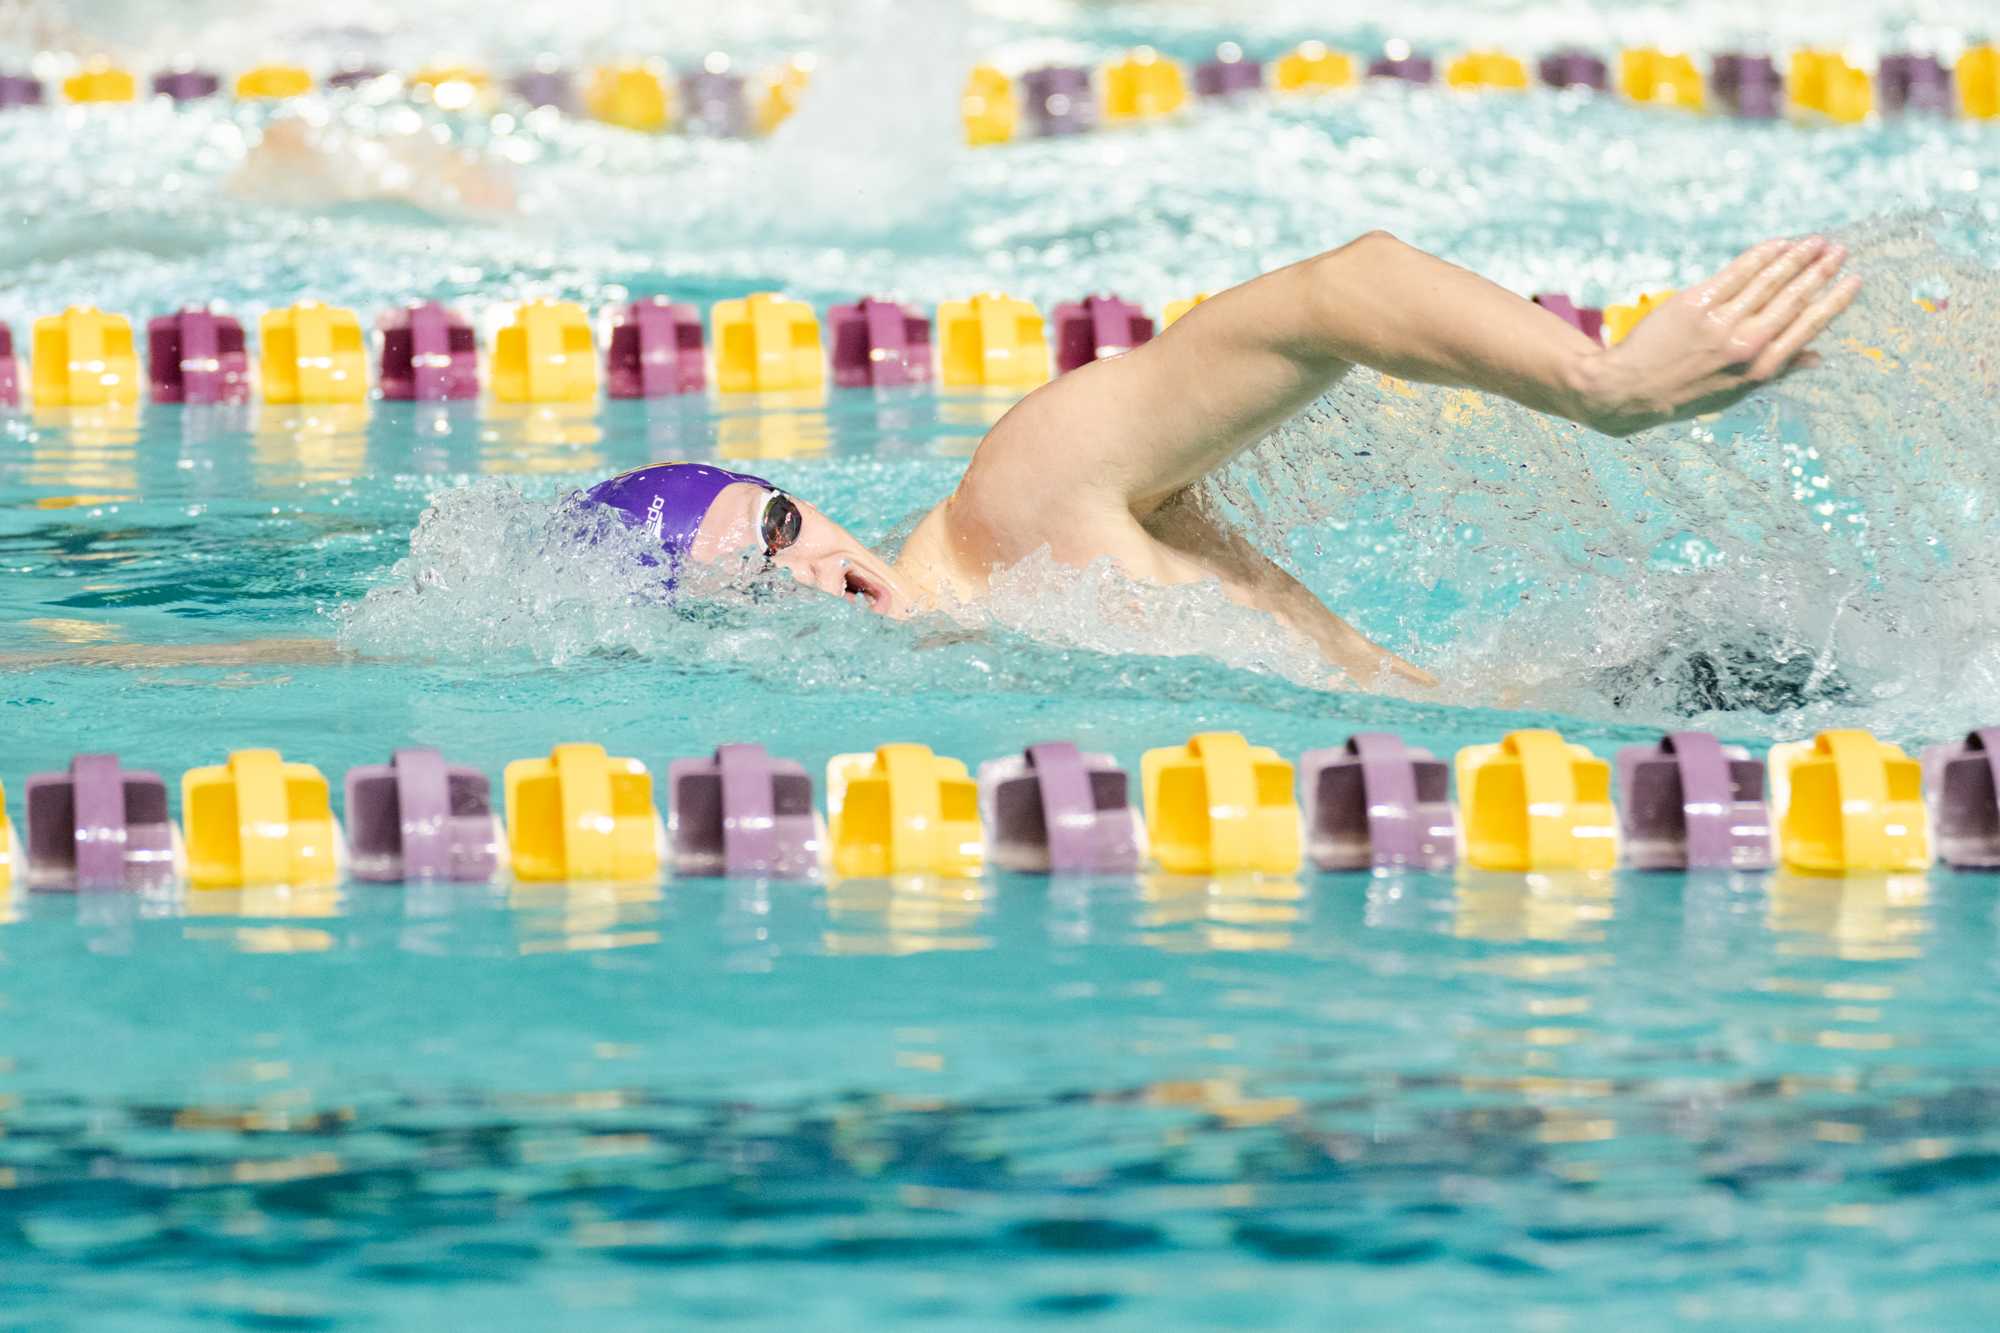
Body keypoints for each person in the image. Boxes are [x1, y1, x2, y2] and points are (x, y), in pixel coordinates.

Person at [583, 232, 1858, 687]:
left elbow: (1338, 290)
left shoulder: (1015, 505)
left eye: (777, 526)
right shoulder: (943, 691)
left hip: (1694, 694)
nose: (802, 571)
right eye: (747, 586)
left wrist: (1605, 386)